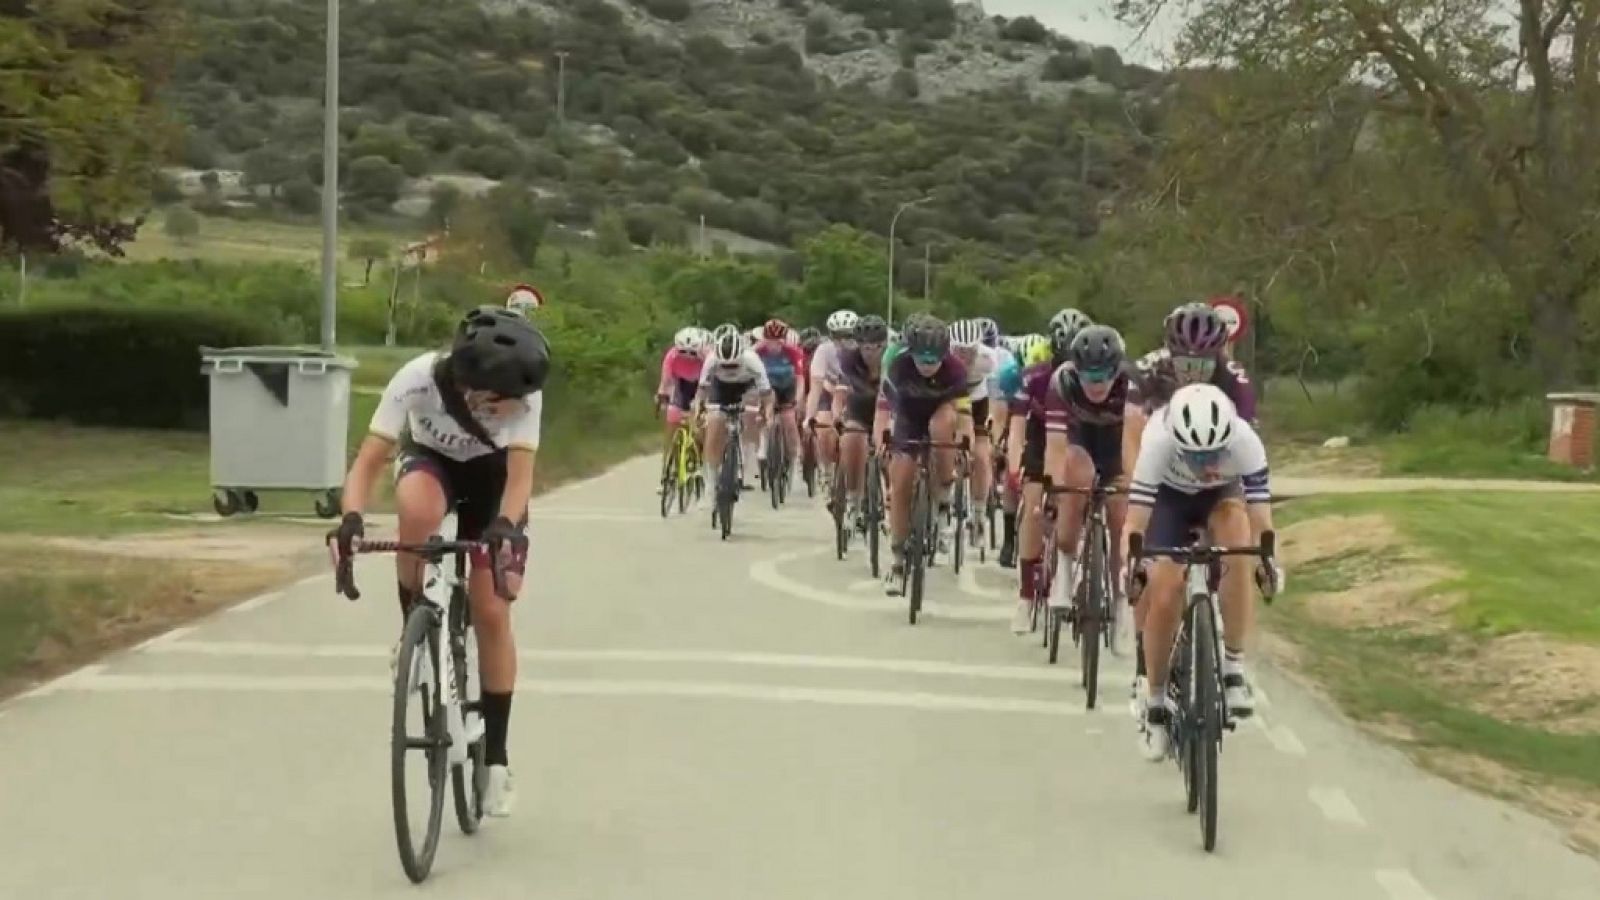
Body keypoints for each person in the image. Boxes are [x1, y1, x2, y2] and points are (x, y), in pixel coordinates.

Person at [331, 306, 550, 818]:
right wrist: (351, 519)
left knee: (493, 609)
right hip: (431, 463)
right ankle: (414, 622)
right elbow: (367, 462)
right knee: (417, 508)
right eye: (503, 403)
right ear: (472, 384)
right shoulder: (416, 380)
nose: (512, 409)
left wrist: (504, 526)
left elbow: (519, 480)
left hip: (492, 482)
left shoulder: (526, 395)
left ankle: (495, 760)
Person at [1125, 384, 1282, 761]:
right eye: (1195, 455)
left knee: (1238, 538)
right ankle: (1157, 704)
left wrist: (1268, 563)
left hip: (1220, 497)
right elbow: (1135, 522)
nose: (1205, 463)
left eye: (1214, 453)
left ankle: (1232, 668)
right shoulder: (1157, 442)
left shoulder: (1245, 441)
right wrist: (1130, 567)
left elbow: (1263, 519)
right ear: (1177, 441)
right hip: (1169, 499)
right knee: (1164, 589)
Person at [1041, 325, 1133, 622]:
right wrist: (1054, 489)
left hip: (1117, 445)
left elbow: (1137, 442)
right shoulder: (1062, 381)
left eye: (1105, 376)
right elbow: (1055, 448)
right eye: (1090, 377)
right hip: (1079, 440)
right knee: (1075, 479)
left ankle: (1120, 599)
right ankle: (1064, 571)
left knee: (1121, 515)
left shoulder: (1134, 383)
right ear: (1076, 370)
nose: (1097, 385)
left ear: (1118, 369)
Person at [1007, 312, 1092, 633]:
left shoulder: (1097, 378)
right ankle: (1026, 598)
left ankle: (1086, 554)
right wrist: (1016, 469)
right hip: (1043, 441)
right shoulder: (1036, 379)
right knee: (1033, 509)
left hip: (1082, 440)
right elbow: (1017, 427)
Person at [878, 315, 968, 593]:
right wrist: (883, 438)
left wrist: (965, 441)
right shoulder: (897, 365)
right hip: (908, 417)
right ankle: (897, 556)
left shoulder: (956, 369)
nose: (928, 365)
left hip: (941, 412)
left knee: (941, 426)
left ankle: (943, 500)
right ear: (911, 352)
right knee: (901, 481)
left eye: (934, 360)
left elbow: (964, 413)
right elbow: (885, 409)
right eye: (922, 359)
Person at [695, 326, 774, 496]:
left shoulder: (752, 360)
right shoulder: (711, 359)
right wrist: (699, 410)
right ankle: (712, 478)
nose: (730, 368)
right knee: (715, 424)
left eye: (734, 365)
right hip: (720, 388)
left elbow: (766, 393)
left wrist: (767, 412)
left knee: (749, 416)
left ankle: (742, 458)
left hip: (747, 388)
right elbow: (702, 391)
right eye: (725, 365)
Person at [830, 314, 889, 525]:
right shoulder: (849, 360)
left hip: (889, 411)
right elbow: (840, 393)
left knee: (895, 451)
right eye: (864, 347)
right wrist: (837, 415)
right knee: (851, 439)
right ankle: (854, 498)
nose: (870, 353)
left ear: (885, 344)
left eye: (875, 347)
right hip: (860, 409)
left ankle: (893, 496)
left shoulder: (894, 360)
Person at [948, 319, 1000, 548]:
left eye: (970, 351)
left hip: (978, 399)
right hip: (950, 395)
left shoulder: (989, 359)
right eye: (959, 351)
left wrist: (994, 432)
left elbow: (999, 400)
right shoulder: (942, 355)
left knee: (981, 454)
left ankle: (979, 514)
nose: (964, 357)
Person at [805, 310, 858, 491]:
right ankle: (826, 469)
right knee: (824, 426)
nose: (842, 342)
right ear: (830, 336)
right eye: (837, 337)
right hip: (828, 391)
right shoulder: (824, 350)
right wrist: (809, 417)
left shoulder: (863, 351)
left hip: (856, 393)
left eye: (848, 336)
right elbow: (816, 387)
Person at [752, 319, 806, 488]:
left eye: (778, 341)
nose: (774, 345)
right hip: (768, 387)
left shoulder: (793, 352)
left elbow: (800, 378)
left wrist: (798, 399)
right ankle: (764, 443)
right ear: (764, 339)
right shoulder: (757, 351)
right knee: (766, 410)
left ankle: (795, 460)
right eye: (770, 341)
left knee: (789, 420)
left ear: (784, 340)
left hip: (788, 386)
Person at [656, 326, 707, 461]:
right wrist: (662, 396)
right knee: (672, 417)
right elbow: (666, 379)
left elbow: (710, 382)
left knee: (701, 424)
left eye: (693, 352)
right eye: (683, 352)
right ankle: (667, 459)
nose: (688, 356)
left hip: (700, 386)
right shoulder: (671, 356)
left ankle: (700, 451)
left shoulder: (706, 357)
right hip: (680, 385)